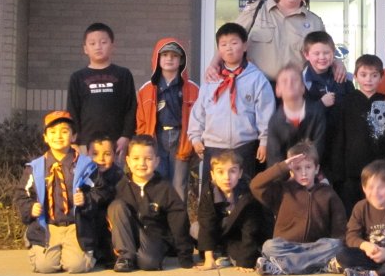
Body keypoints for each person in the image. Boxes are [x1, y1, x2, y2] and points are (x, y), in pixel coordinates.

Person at [205, 0, 343, 85]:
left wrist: (337, 63)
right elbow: (229, 40)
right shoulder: (256, 11)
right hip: (255, 88)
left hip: (295, 93)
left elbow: (325, 51)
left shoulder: (314, 22)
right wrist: (213, 65)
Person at [13, 110, 110, 274]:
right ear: (45, 137)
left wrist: (86, 200)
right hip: (48, 226)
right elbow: (21, 194)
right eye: (52, 132)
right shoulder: (35, 168)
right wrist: (30, 208)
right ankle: (36, 245)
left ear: (73, 137)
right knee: (45, 267)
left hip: (75, 226)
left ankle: (84, 251)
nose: (58, 136)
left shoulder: (85, 166)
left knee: (76, 266)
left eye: (64, 131)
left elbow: (101, 191)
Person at [189, 23, 275, 185]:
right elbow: (199, 110)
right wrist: (195, 137)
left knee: (245, 194)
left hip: (244, 146)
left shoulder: (256, 79)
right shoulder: (212, 79)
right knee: (213, 195)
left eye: (234, 43)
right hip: (214, 147)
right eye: (223, 44)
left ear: (244, 46)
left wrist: (264, 141)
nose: (229, 48)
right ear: (219, 50)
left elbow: (266, 112)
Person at [250, 141, 346, 275]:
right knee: (268, 246)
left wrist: (338, 250)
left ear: (316, 169)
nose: (304, 173)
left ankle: (282, 267)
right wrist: (283, 166)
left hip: (315, 247)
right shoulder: (283, 191)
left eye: (308, 167)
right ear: (291, 171)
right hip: (287, 248)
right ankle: (317, 266)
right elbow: (255, 185)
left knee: (336, 245)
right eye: (298, 168)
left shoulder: (328, 193)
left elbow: (339, 227)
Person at [107, 134, 195, 272]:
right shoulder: (121, 186)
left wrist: (185, 254)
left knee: (148, 263)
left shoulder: (164, 188)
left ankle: (138, 257)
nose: (142, 163)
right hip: (128, 236)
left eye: (148, 159)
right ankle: (126, 256)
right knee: (116, 206)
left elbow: (178, 220)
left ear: (157, 161)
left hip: (155, 237)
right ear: (128, 161)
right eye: (136, 159)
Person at [330, 54, 385, 214]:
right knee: (351, 214)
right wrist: (337, 174)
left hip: (378, 174)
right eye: (363, 75)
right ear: (355, 76)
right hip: (350, 174)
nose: (368, 80)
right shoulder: (346, 104)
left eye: (374, 75)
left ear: (381, 77)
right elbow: (338, 139)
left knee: (376, 214)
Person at [135, 38, 199, 203]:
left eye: (174, 56)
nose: (169, 59)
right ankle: (160, 225)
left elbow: (198, 118)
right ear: (157, 58)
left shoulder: (192, 88)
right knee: (158, 183)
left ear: (181, 60)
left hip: (181, 141)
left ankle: (178, 227)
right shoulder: (147, 89)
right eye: (164, 55)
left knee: (179, 186)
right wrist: (145, 142)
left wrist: (193, 143)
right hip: (157, 140)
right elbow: (140, 121)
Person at [66, 22, 137, 161]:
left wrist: (126, 136)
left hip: (116, 144)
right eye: (92, 43)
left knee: (116, 180)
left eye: (103, 42)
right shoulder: (77, 77)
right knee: (87, 181)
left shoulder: (123, 74)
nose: (98, 46)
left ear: (112, 46)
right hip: (85, 144)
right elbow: (72, 110)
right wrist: (76, 140)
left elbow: (131, 107)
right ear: (85, 49)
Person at [196, 150, 266, 271]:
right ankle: (218, 253)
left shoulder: (247, 193)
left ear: (240, 173)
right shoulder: (208, 191)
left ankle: (229, 254)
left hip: (238, 234)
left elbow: (250, 228)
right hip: (219, 231)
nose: (226, 177)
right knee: (195, 228)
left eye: (232, 171)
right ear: (212, 175)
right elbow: (207, 223)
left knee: (243, 256)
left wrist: (245, 263)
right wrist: (208, 257)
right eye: (220, 172)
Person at [266, 64, 327, 166]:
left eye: (294, 80)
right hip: (287, 176)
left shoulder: (317, 112)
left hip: (314, 172)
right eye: (284, 81)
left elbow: (319, 148)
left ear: (303, 88)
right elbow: (275, 159)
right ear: (277, 90)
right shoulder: (275, 122)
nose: (290, 84)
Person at [88, 134, 123, 268]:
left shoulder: (119, 176)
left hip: (110, 220)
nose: (101, 159)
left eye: (107, 154)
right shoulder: (83, 174)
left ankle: (111, 254)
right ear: (87, 154)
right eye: (95, 154)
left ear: (114, 155)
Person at [301, 30, 353, 111]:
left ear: (333, 53)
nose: (322, 57)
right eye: (316, 53)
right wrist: (321, 104)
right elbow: (301, 115)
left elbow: (352, 106)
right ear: (307, 55)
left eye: (326, 53)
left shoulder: (344, 76)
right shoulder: (301, 81)